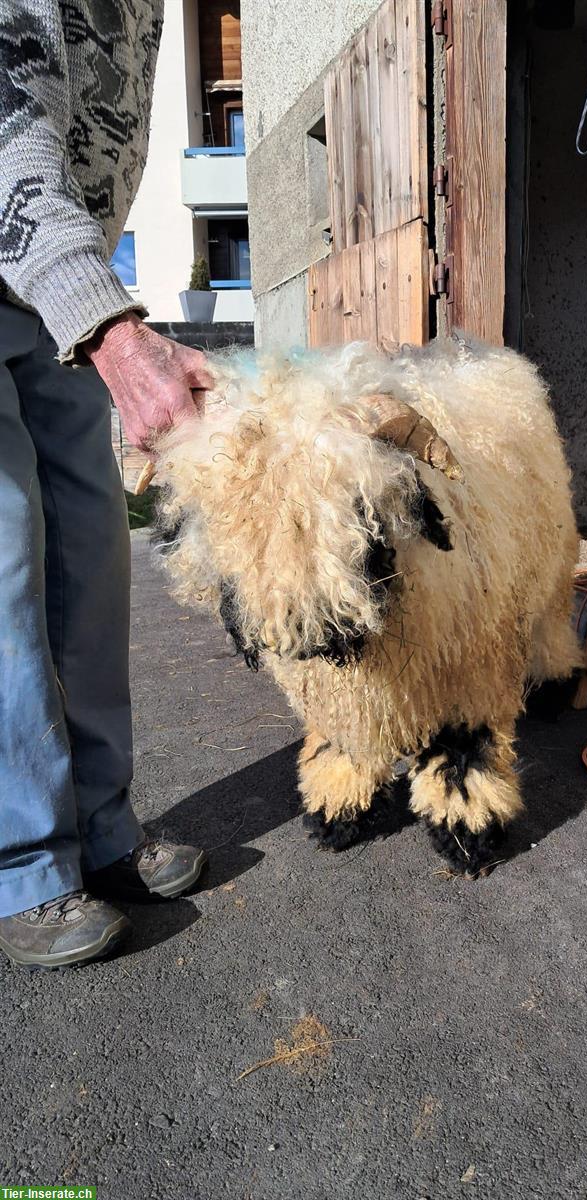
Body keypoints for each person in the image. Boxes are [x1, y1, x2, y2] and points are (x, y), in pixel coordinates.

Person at [0, 0, 210, 968]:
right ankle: (26, 866)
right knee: (7, 552)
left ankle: (101, 824)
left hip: (43, 279)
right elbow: (10, 122)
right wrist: (113, 331)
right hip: (22, 237)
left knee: (94, 541)